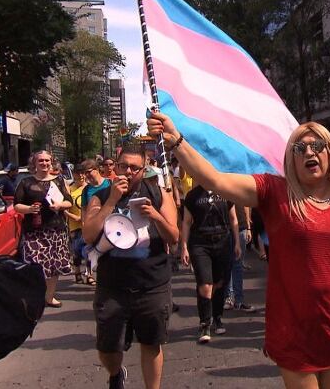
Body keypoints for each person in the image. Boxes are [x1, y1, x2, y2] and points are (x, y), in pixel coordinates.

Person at [147, 112, 330, 389]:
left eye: (317, 145)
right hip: (292, 329)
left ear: (329, 152)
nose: (310, 152)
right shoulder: (275, 192)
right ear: (291, 158)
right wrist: (177, 142)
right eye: (300, 147)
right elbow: (216, 180)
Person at [82, 147, 179, 389]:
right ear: (115, 166)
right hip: (112, 286)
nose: (129, 172)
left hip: (152, 283)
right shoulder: (101, 196)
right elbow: (88, 234)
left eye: (135, 168)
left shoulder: (158, 193)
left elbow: (174, 236)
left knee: (151, 343)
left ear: (144, 169)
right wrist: (112, 201)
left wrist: (156, 216)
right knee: (108, 347)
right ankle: (116, 373)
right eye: (124, 166)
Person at [180, 183, 241, 342]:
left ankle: (217, 316)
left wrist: (237, 243)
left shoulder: (225, 190)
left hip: (222, 240)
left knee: (219, 283)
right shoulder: (192, 196)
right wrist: (184, 247)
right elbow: (186, 222)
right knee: (205, 285)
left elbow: (233, 219)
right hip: (200, 243)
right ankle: (205, 323)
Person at [13, 150, 74, 308]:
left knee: (54, 266)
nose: (45, 164)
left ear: (51, 162)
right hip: (34, 231)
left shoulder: (59, 180)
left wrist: (60, 205)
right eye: (41, 161)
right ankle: (36, 296)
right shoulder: (26, 182)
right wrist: (29, 209)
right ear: (34, 163)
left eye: (47, 160)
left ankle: (49, 296)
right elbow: (17, 205)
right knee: (35, 265)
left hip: (56, 229)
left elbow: (69, 202)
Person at [225, 205, 258, 313]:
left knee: (237, 265)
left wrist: (248, 227)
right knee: (227, 265)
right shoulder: (221, 188)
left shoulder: (239, 187)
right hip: (224, 227)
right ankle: (228, 298)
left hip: (241, 225)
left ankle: (239, 300)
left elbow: (245, 204)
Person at [65, 164, 94, 285]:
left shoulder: (89, 188)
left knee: (89, 251)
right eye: (78, 173)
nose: (81, 176)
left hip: (88, 224)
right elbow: (65, 209)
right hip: (74, 225)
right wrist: (75, 217)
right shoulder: (69, 189)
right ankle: (77, 272)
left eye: (83, 173)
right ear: (74, 175)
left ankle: (89, 275)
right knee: (76, 251)